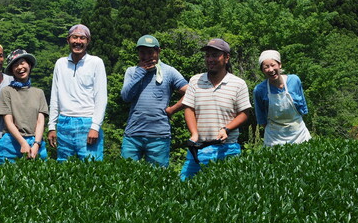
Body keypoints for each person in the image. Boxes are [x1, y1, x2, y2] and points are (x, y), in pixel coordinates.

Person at [180, 38, 251, 181]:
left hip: (227, 148)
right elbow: (189, 109)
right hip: (198, 147)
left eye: (215, 55)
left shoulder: (238, 84)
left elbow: (244, 113)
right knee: (185, 187)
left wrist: (227, 129)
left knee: (226, 192)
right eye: (207, 56)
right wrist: (194, 134)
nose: (210, 59)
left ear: (226, 58)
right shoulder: (195, 80)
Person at [120, 35, 189, 167]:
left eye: (150, 52)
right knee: (125, 175)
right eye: (142, 52)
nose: (147, 56)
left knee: (158, 179)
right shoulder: (132, 71)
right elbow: (126, 97)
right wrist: (140, 72)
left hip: (159, 135)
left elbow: (191, 92)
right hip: (133, 134)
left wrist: (173, 109)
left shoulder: (169, 72)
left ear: (158, 51)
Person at [48, 24, 107, 161]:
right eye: (74, 37)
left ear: (88, 41)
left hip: (87, 121)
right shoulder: (60, 64)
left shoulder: (96, 63)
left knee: (91, 167)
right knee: (63, 169)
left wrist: (95, 127)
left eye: (82, 38)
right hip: (64, 122)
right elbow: (54, 96)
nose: (78, 41)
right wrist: (52, 126)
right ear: (68, 40)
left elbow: (101, 98)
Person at [0, 49, 48, 161]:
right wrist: (23, 143)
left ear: (29, 65)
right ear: (12, 70)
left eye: (22, 63)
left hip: (36, 141)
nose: (20, 67)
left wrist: (36, 144)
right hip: (11, 142)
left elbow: (40, 122)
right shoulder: (6, 91)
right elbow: (8, 122)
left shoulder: (39, 92)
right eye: (15, 65)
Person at [253, 50, 311, 146]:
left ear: (280, 65)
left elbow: (303, 108)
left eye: (273, 65)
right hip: (274, 138)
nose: (271, 70)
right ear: (262, 71)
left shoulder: (294, 80)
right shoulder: (259, 90)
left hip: (299, 134)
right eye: (266, 67)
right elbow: (261, 118)